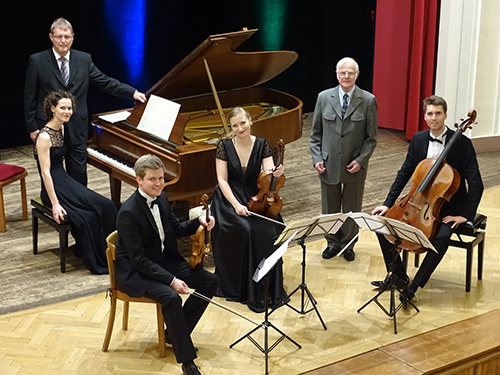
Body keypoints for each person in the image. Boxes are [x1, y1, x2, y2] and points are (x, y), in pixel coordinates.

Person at [371, 95, 484, 302]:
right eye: (430, 114)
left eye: (438, 113)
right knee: (382, 225)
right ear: (425, 116)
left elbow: (477, 184)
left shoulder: (462, 144)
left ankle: (413, 287)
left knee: (441, 238)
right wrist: (388, 203)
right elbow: (404, 172)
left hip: (450, 207)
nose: (434, 118)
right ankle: (398, 276)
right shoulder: (419, 139)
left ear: (445, 115)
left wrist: (465, 216)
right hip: (417, 201)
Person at [115, 154, 218, 375]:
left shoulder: (161, 198)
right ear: (139, 180)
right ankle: (187, 361)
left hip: (164, 261)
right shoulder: (128, 214)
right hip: (137, 272)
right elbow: (139, 260)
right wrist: (171, 281)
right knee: (171, 297)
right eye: (153, 179)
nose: (159, 183)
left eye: (161, 178)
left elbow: (176, 229)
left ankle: (175, 333)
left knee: (210, 281)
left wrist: (198, 223)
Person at [24, 17, 147, 186]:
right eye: (59, 36)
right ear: (51, 37)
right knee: (52, 174)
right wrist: (32, 127)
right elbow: (29, 96)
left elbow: (104, 82)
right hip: (48, 127)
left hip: (77, 126)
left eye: (67, 37)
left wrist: (132, 93)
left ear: (73, 37)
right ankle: (55, 206)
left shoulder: (84, 59)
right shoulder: (37, 61)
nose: (63, 41)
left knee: (79, 175)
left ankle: (79, 210)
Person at [211, 106, 289, 313]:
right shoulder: (223, 146)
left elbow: (267, 173)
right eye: (235, 125)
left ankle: (266, 288)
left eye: (243, 123)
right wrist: (236, 205)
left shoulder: (262, 145)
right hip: (228, 197)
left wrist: (276, 173)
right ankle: (242, 288)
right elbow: (222, 180)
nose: (239, 128)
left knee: (270, 228)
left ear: (250, 121)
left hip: (255, 194)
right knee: (245, 230)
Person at [35, 90, 117, 274]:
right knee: (86, 216)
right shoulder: (44, 136)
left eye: (70, 108)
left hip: (64, 180)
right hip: (52, 188)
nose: (67, 111)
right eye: (62, 108)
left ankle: (113, 254)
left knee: (106, 205)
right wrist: (55, 204)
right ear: (52, 108)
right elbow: (45, 173)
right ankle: (95, 259)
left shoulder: (62, 128)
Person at [309, 57, 378, 262]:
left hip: (354, 165)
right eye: (342, 73)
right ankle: (331, 242)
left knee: (352, 207)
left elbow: (371, 138)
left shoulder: (368, 100)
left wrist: (361, 160)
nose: (346, 76)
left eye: (350, 73)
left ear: (357, 75)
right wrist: (317, 158)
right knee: (329, 207)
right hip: (328, 164)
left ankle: (348, 244)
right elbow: (315, 135)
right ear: (337, 75)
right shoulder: (323, 97)